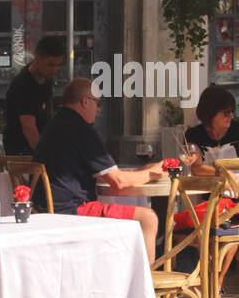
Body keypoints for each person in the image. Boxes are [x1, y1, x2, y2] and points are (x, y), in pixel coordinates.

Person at [33, 78, 165, 262]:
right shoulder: (80, 129)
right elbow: (118, 182)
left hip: (44, 209)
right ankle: (148, 287)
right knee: (148, 218)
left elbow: (107, 177)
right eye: (98, 103)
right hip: (71, 211)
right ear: (85, 101)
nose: (99, 109)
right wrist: (152, 172)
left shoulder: (56, 124)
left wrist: (139, 172)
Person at [3, 36, 65, 156]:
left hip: (34, 144)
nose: (55, 70)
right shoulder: (24, 85)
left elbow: (48, 112)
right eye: (51, 65)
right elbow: (28, 128)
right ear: (37, 58)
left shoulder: (46, 79)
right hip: (21, 148)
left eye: (58, 65)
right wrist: (46, 155)